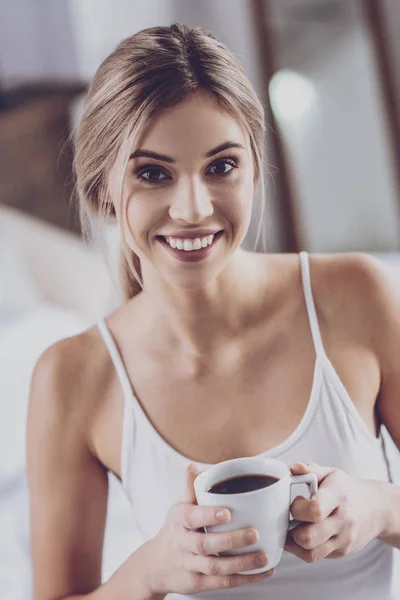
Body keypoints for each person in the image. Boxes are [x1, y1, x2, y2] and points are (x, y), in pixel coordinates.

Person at [26, 23, 400, 600]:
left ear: (255, 166)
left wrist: (375, 507)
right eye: (152, 173)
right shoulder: (72, 379)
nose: (193, 207)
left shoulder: (357, 296)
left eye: (221, 166)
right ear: (102, 190)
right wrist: (148, 572)